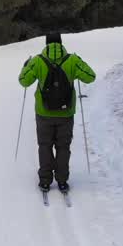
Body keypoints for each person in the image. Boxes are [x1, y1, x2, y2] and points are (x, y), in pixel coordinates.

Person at [18, 33, 96, 193]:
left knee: (44, 146)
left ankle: (45, 181)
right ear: (61, 43)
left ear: (46, 44)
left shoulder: (38, 61)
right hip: (66, 114)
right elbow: (90, 77)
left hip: (43, 113)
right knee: (63, 147)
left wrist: (26, 66)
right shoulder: (72, 60)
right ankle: (62, 180)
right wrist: (79, 61)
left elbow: (24, 81)